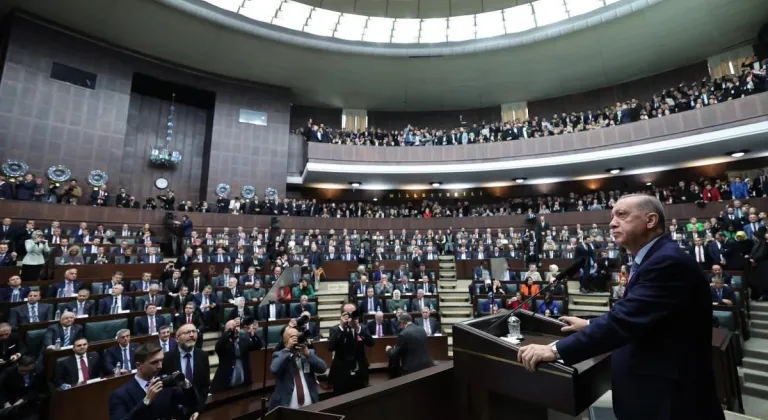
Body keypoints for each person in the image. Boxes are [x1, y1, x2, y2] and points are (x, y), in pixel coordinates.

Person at [518, 194, 724, 420]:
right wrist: (589, 324)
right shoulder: (654, 258)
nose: (612, 222)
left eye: (622, 215)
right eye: (612, 216)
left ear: (651, 220)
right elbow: (645, 315)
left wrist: (555, 350)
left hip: (671, 402)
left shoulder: (667, 262)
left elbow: (626, 321)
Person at [108, 343, 201, 420]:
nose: (160, 366)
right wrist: (145, 401)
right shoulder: (120, 395)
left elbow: (192, 403)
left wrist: (186, 385)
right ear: (138, 365)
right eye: (154, 362)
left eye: (161, 361)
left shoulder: (166, 384)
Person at [268, 327, 328, 410]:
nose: (295, 339)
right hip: (287, 406)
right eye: (291, 337)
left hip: (310, 405)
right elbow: (274, 369)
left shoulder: (307, 354)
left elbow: (323, 368)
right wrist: (288, 349)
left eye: (297, 336)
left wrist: (308, 354)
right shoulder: (279, 355)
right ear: (285, 342)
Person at [327, 303, 374, 396]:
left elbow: (371, 343)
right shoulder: (335, 329)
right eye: (347, 313)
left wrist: (357, 328)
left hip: (359, 371)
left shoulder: (362, 328)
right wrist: (341, 326)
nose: (351, 316)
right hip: (341, 373)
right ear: (342, 315)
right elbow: (330, 347)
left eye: (353, 313)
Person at [161, 323, 209, 413]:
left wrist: (198, 409)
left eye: (194, 331)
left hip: (195, 409)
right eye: (187, 332)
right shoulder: (167, 358)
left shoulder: (203, 355)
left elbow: (205, 387)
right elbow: (164, 388)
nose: (191, 335)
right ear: (177, 339)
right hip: (174, 411)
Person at [210, 319, 263, 393]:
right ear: (226, 331)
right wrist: (229, 332)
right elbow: (218, 347)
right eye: (232, 327)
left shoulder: (244, 339)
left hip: (244, 383)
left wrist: (253, 334)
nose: (235, 329)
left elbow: (258, 346)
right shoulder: (224, 342)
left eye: (237, 326)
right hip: (226, 384)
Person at [0, 354, 48, 419]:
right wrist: (5, 403)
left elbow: (37, 388)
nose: (24, 373)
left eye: (27, 371)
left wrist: (23, 400)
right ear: (18, 365)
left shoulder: (39, 371)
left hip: (28, 399)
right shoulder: (8, 372)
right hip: (10, 399)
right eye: (22, 371)